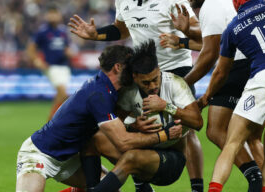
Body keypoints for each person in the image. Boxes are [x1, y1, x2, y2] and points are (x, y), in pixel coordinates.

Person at [68, 0, 205, 190]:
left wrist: (186, 30)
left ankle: (197, 187)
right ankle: (141, 183)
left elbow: (198, 30)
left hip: (174, 67)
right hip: (141, 70)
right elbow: (121, 30)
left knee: (185, 129)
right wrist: (96, 35)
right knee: (126, 124)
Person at [16, 45, 183, 192]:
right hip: (40, 154)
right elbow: (123, 142)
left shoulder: (108, 88)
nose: (134, 73)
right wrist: (163, 135)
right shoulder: (99, 94)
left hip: (71, 158)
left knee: (110, 188)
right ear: (118, 67)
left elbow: (110, 127)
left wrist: (133, 124)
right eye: (130, 67)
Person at [160, 0, 264, 190]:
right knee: (253, 137)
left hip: (238, 65)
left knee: (216, 129)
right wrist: (184, 37)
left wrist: (181, 84)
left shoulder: (212, 3)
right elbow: (214, 41)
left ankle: (255, 178)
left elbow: (210, 54)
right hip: (261, 65)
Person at [196, 0, 265, 191]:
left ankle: (215, 189)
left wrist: (206, 97)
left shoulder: (233, 27)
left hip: (264, 77)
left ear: (234, 0)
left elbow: (221, 72)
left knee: (232, 143)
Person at [86, 39, 203, 192]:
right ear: (135, 77)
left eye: (155, 79)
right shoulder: (129, 92)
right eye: (146, 83)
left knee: (130, 158)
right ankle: (96, 188)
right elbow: (116, 123)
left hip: (172, 160)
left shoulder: (175, 83)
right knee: (94, 139)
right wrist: (133, 125)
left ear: (159, 69)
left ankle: (137, 184)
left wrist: (166, 106)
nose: (153, 86)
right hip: (144, 151)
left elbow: (198, 122)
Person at [27, 3, 75, 120]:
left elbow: (67, 47)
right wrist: (37, 60)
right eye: (51, 14)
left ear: (59, 15)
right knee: (62, 93)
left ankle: (53, 121)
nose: (53, 16)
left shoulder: (63, 31)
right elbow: (31, 48)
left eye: (55, 13)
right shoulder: (42, 31)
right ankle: (51, 121)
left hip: (64, 66)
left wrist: (69, 52)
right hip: (52, 67)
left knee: (62, 96)